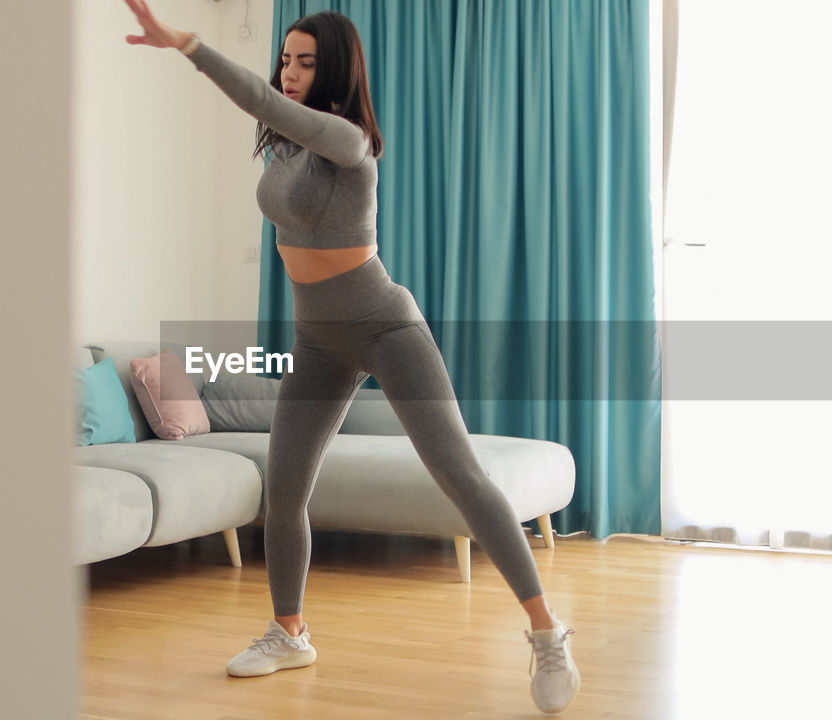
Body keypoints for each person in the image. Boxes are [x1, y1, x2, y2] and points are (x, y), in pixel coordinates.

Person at [122, 0, 580, 713]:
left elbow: (263, 99)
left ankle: (548, 632)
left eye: (306, 60)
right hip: (317, 338)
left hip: (384, 325)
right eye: (286, 57)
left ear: (333, 67)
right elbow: (271, 111)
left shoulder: (346, 140)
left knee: (459, 473)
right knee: (287, 485)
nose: (291, 72)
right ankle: (289, 631)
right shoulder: (284, 144)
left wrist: (188, 44)